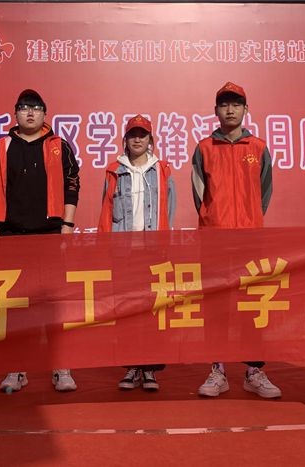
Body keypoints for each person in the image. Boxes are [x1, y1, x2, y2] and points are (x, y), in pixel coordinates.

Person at [191, 81, 280, 399]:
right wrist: (214, 221)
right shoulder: (204, 148)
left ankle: (254, 371)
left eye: (236, 104)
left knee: (252, 305)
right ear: (216, 111)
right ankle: (217, 370)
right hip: (214, 241)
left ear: (246, 109)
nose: (230, 110)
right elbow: (199, 196)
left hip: (249, 241)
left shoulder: (258, 148)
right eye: (224, 104)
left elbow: (264, 193)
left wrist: (250, 221)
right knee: (216, 307)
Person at [0, 88, 80, 393]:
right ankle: (17, 368)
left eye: (36, 108)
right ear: (15, 114)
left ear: (45, 114)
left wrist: (67, 224)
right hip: (12, 234)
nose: (30, 113)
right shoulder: (2, 146)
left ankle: (61, 366)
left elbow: (72, 183)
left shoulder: (59, 145)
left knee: (53, 303)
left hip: (50, 233)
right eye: (24, 108)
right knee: (16, 305)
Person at [98, 114, 176, 391]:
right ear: (125, 139)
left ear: (151, 139)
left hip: (153, 251)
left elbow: (169, 209)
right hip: (124, 252)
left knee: (152, 310)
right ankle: (131, 366)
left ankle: (150, 368)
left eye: (142, 135)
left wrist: (164, 244)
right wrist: (105, 247)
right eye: (133, 134)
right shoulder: (114, 171)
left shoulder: (162, 170)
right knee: (128, 310)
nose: (138, 139)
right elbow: (106, 209)